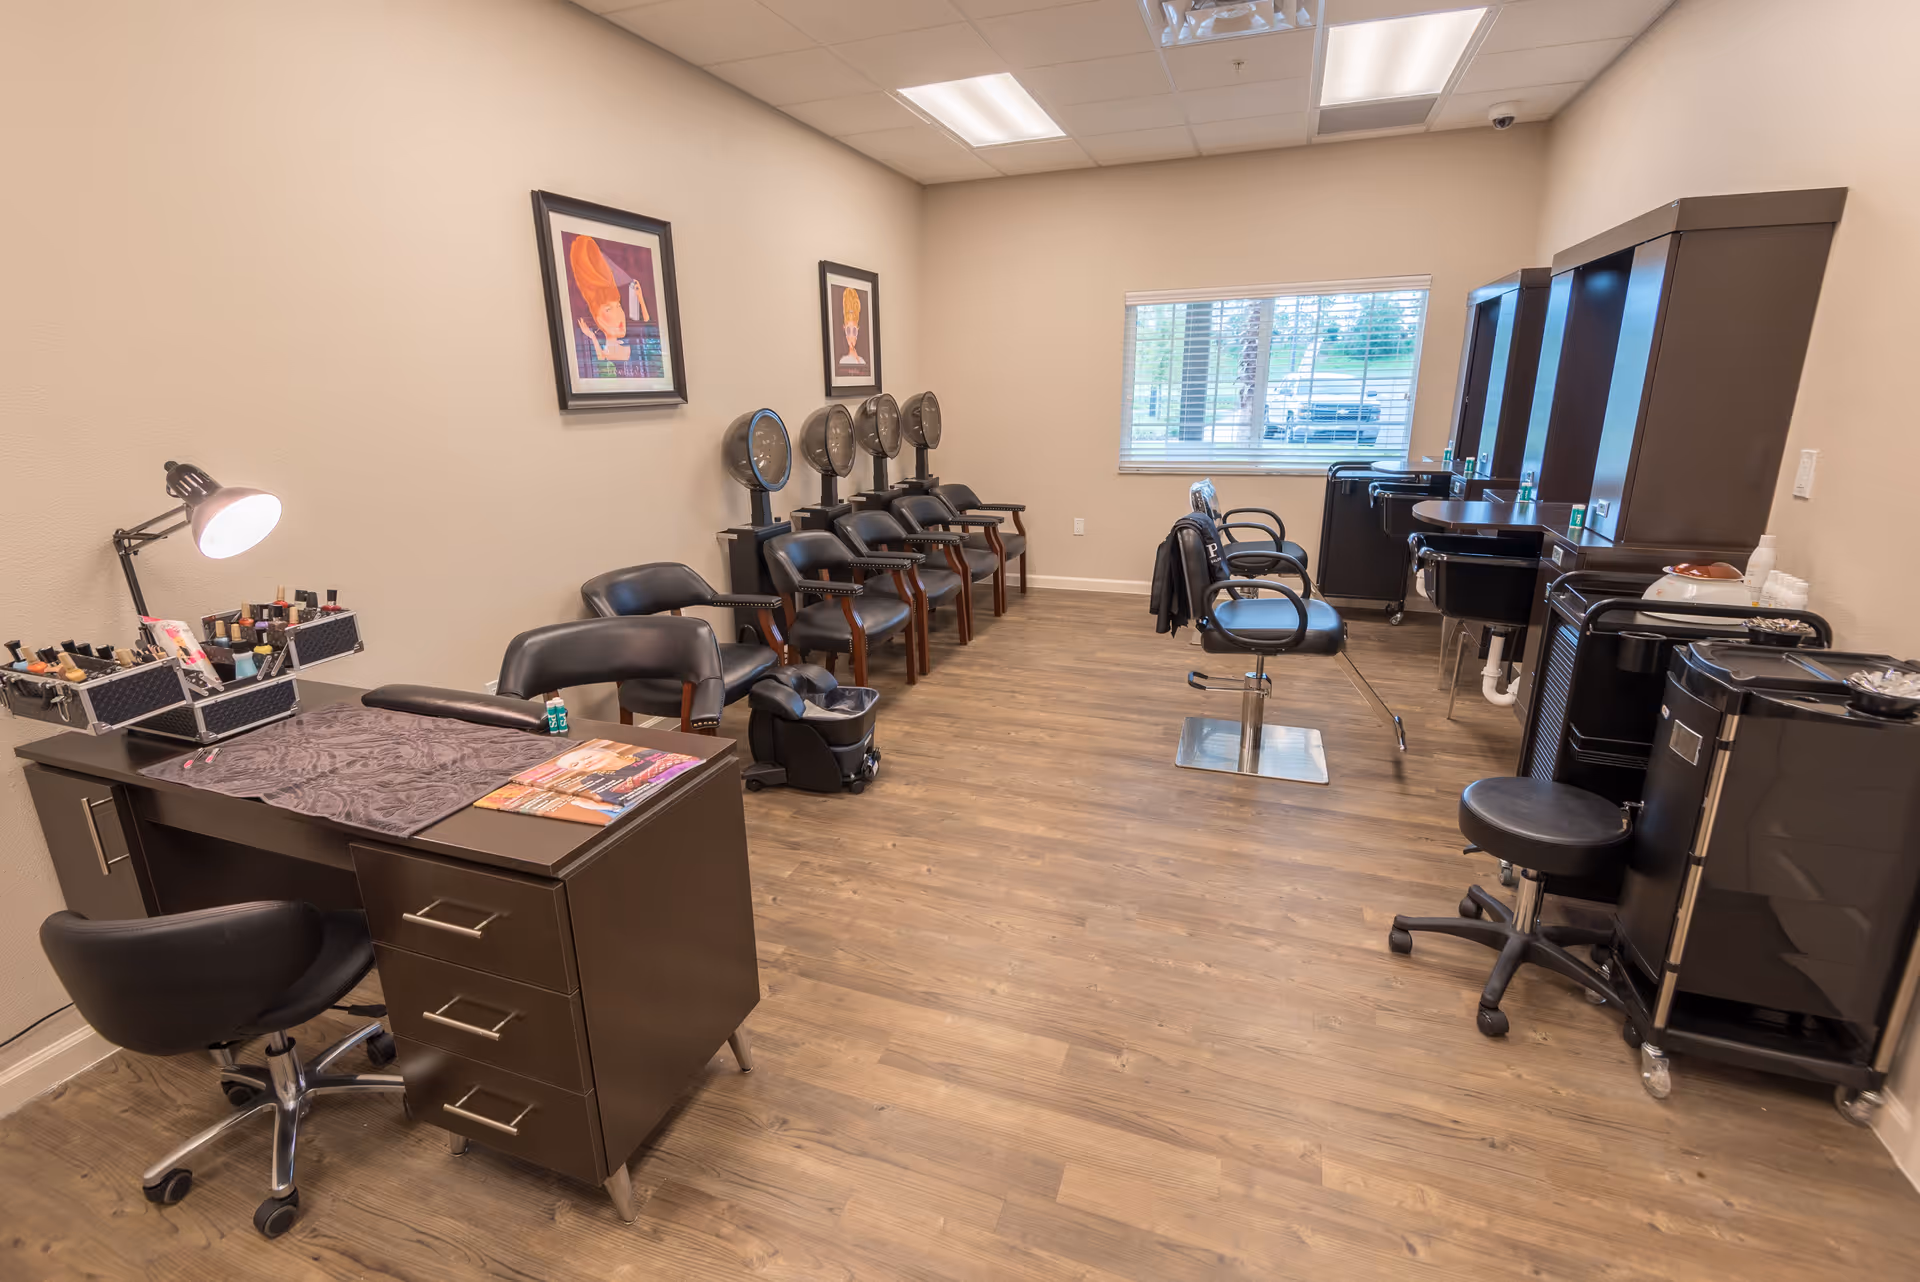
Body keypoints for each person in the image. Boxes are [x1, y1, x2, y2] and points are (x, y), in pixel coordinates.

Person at [570, 235, 637, 363]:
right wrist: (591, 336)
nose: (619, 315)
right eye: (608, 309)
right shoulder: (604, 355)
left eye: (618, 306)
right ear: (599, 319)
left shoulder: (634, 350)